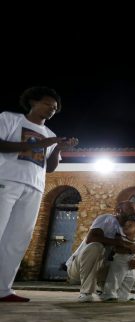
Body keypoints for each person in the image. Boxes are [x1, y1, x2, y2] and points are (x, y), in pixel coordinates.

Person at [0, 86, 78, 302]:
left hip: (34, 187)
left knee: (17, 239)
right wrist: (41, 144)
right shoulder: (10, 119)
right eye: (47, 104)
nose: (50, 110)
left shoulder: (51, 134)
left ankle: (3, 290)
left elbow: (50, 167)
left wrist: (59, 148)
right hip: (6, 180)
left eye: (54, 108)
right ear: (33, 102)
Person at [67, 201, 135, 302]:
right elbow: (91, 238)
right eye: (131, 208)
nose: (134, 211)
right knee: (95, 247)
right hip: (79, 268)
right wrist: (122, 244)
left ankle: (114, 292)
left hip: (102, 269)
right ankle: (86, 292)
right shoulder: (107, 219)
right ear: (118, 210)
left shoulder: (129, 232)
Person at [101, 219, 135, 302]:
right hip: (119, 262)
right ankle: (108, 294)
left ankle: (122, 295)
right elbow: (116, 249)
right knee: (115, 278)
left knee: (130, 279)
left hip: (131, 264)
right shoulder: (120, 239)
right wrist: (129, 250)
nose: (126, 227)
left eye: (130, 225)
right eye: (125, 225)